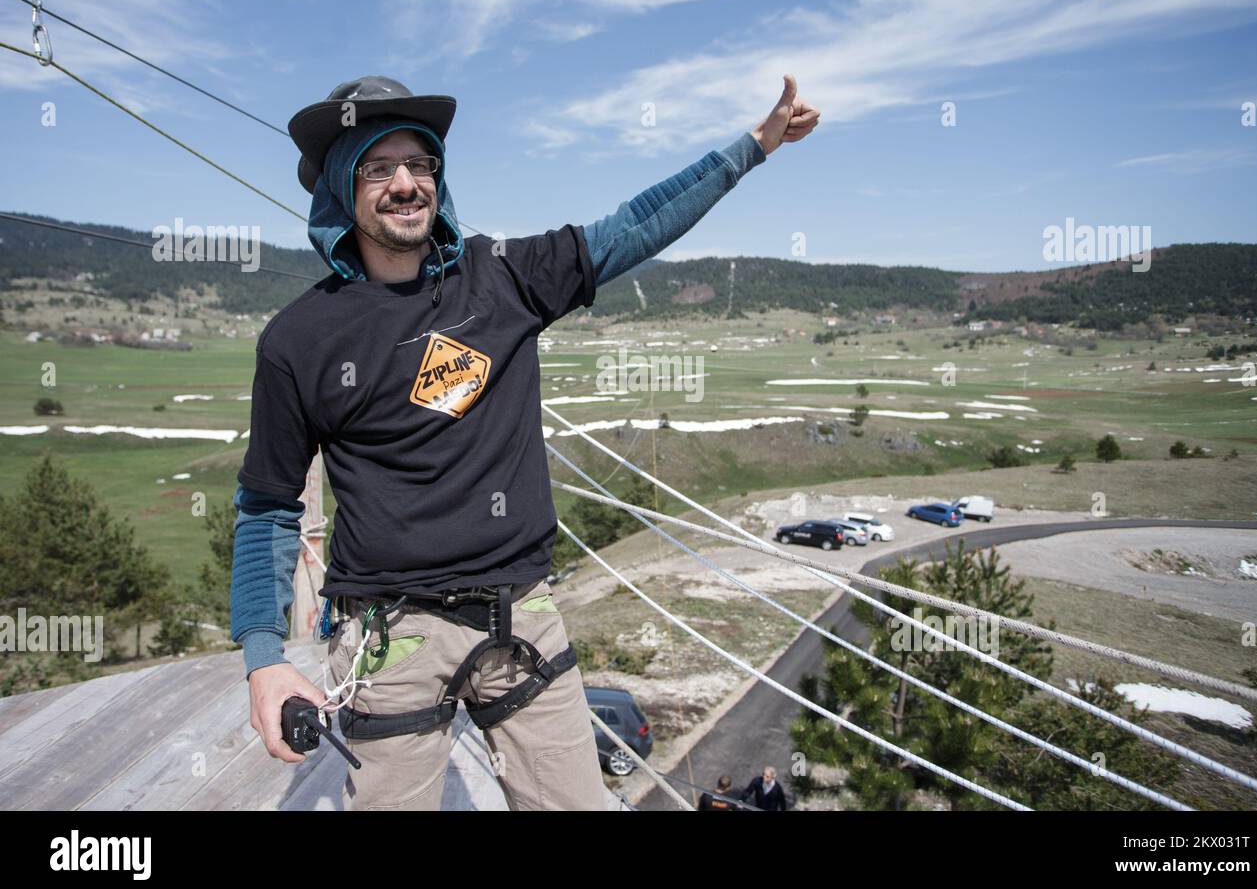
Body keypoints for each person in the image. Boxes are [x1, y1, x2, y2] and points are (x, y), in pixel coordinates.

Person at [231, 73, 820, 811]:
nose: (407, 183)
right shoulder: (298, 341)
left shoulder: (504, 276)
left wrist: (754, 147)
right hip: (393, 638)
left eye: (422, 165)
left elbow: (636, 224)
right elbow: (268, 508)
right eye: (378, 168)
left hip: (524, 618)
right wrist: (264, 660)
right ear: (343, 190)